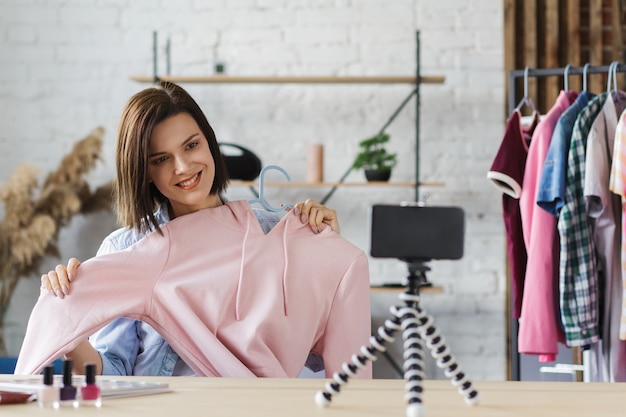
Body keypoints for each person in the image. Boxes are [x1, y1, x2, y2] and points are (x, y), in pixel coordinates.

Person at [40, 81, 341, 377]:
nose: (183, 167)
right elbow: (114, 371)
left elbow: (318, 355)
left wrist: (329, 260)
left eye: (191, 145)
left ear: (210, 143)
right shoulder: (126, 249)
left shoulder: (274, 235)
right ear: (144, 171)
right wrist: (70, 332)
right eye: (161, 159)